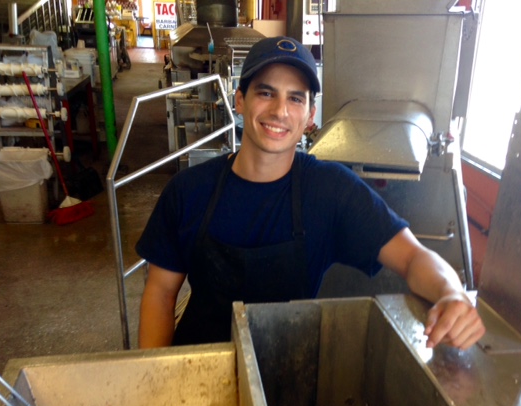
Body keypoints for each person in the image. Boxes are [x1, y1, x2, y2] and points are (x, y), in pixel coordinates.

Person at [136, 36, 485, 350]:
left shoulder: (330, 191)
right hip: (198, 364)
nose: (279, 111)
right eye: (266, 92)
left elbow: (412, 257)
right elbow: (161, 294)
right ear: (240, 100)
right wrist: (155, 380)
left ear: (309, 115)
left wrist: (451, 293)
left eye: (295, 98)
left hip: (286, 371)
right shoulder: (189, 190)